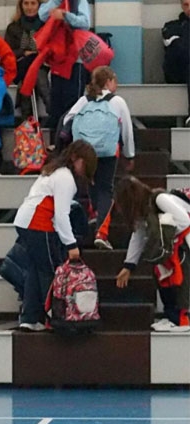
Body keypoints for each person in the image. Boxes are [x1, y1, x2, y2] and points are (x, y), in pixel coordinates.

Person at [13, 140, 97, 331]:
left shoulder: (52, 171)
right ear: (77, 159)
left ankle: (30, 318)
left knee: (35, 271)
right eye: (86, 164)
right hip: (39, 223)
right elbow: (61, 214)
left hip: (25, 221)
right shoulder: (66, 178)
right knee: (50, 272)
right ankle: (55, 317)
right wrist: (71, 244)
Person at [62, 66, 135, 249]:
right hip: (108, 151)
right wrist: (129, 155)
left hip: (86, 150)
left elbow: (67, 120)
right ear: (109, 81)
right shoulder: (117, 101)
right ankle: (102, 232)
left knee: (92, 182)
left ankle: (95, 215)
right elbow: (127, 130)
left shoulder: (84, 100)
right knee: (106, 189)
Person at [113, 176, 190, 332]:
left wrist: (167, 237)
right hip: (171, 249)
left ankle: (181, 319)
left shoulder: (159, 199)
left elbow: (184, 221)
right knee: (161, 275)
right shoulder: (143, 212)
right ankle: (170, 316)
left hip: (184, 244)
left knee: (180, 279)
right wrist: (129, 265)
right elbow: (138, 235)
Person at [38, 0, 91, 136]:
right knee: (56, 106)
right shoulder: (55, 1)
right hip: (58, 61)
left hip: (75, 60)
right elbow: (42, 14)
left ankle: (71, 144)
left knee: (73, 105)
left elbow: (85, 23)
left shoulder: (80, 2)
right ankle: (57, 145)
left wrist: (66, 16)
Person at [5, 0, 50, 119]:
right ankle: (50, 111)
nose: (29, 7)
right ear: (21, 5)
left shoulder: (47, 25)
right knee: (31, 68)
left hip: (43, 64)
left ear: (39, 5)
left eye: (33, 3)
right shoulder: (13, 27)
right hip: (22, 65)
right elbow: (8, 53)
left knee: (36, 74)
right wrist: (24, 52)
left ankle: (27, 117)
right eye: (26, 3)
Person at [162, 0, 190, 123]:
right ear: (181, 6)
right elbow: (178, 50)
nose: (189, 8)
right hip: (177, 72)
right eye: (186, 5)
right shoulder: (172, 26)